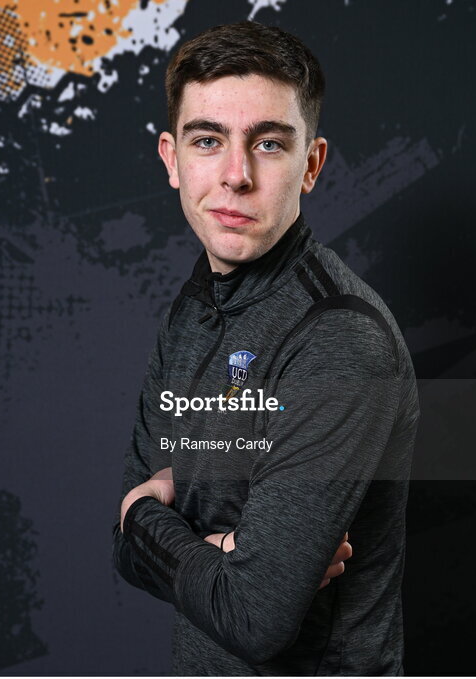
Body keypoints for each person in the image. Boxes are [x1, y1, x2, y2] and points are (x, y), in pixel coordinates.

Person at [112, 21, 419, 675]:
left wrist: (145, 510)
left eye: (269, 143)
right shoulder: (192, 309)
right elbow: (122, 553)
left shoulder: (339, 336)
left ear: (310, 164)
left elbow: (254, 613)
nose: (235, 175)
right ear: (171, 158)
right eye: (207, 140)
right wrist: (218, 545)